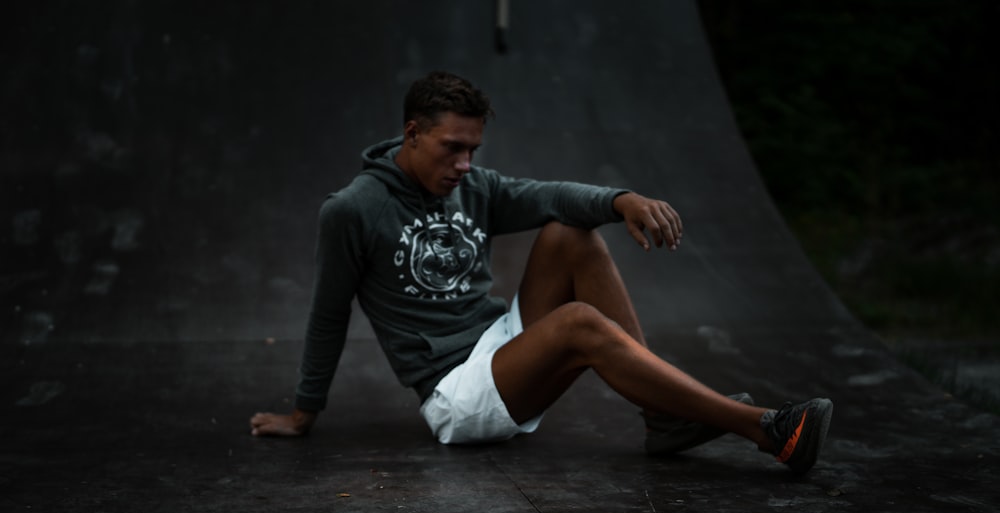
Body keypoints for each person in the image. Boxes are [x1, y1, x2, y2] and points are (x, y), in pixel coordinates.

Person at [250, 71, 833, 474]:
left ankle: (664, 418)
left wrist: (620, 199)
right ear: (411, 133)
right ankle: (765, 430)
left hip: (496, 345)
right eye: (452, 148)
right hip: (456, 395)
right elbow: (327, 314)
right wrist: (303, 414)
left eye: (473, 149)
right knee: (579, 322)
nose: (464, 164)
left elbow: (551, 195)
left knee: (567, 232)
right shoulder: (352, 210)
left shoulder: (472, 187)